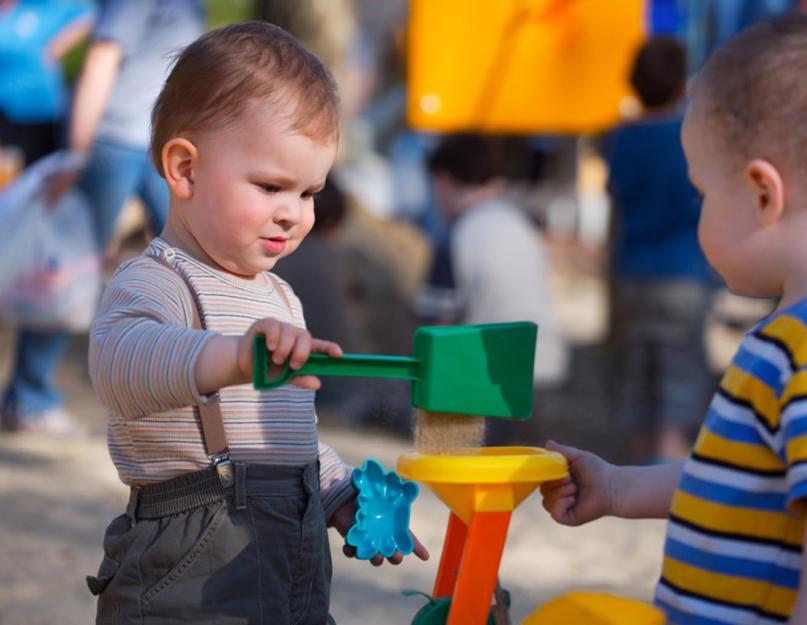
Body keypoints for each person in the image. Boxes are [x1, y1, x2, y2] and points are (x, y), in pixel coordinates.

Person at [85, 22, 426, 624]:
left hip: (287, 561)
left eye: (310, 192)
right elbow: (121, 365)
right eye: (271, 186)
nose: (294, 214)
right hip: (188, 569)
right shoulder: (157, 281)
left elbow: (282, 437)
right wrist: (235, 357)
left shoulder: (279, 298)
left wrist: (340, 493)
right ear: (185, 169)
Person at [541, 14, 807, 624]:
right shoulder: (782, 340)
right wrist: (618, 488)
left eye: (702, 194)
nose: (699, 210)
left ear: (764, 195)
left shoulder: (798, 349)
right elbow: (737, 476)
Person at [606, 36, 713, 463]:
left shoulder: (621, 139)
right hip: (682, 273)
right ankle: (664, 477)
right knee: (677, 386)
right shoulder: (688, 137)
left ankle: (632, 477)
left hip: (631, 271)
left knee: (637, 383)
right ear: (680, 85)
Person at [0, 0, 94, 433]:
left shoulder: (52, 7)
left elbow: (94, 13)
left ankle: (28, 392)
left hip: (38, 127)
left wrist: (60, 44)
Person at [415, 133, 569, 387]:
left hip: (491, 383)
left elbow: (431, 333)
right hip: (546, 370)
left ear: (441, 181)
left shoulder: (456, 237)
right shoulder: (521, 225)